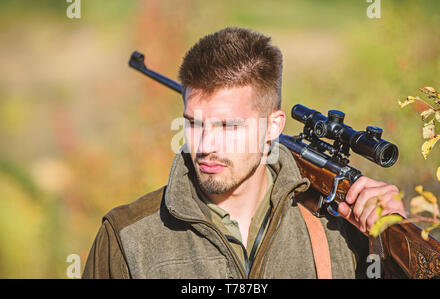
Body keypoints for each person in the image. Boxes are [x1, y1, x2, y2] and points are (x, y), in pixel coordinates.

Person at [82, 27, 406, 279]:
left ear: (273, 128)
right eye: (194, 123)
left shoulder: (342, 231)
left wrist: (390, 244)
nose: (206, 145)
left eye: (228, 126)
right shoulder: (127, 236)